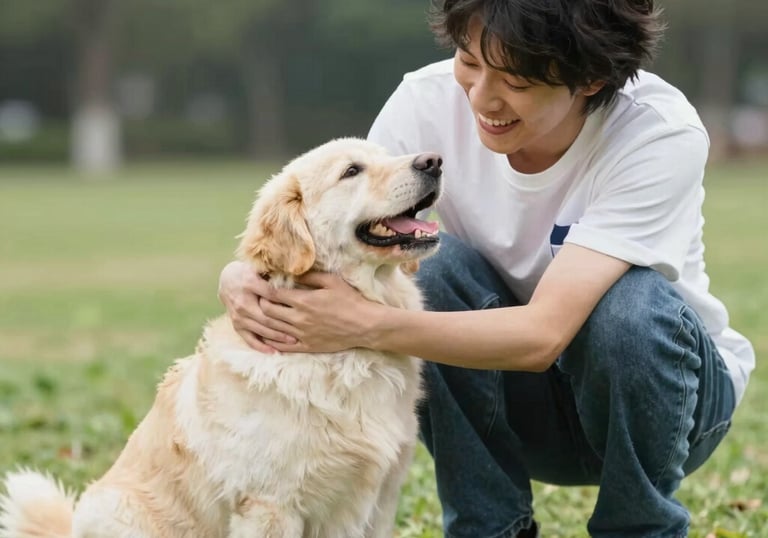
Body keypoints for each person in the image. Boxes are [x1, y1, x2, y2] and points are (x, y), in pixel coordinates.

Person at [218, 0, 755, 536]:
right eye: (469, 61)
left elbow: (544, 334)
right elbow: (339, 225)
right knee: (431, 265)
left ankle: (640, 528)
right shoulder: (425, 100)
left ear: (590, 77)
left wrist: (366, 324)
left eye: (516, 79)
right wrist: (239, 277)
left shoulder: (657, 133)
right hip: (519, 409)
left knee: (630, 308)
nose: (480, 98)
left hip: (670, 408)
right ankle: (488, 528)